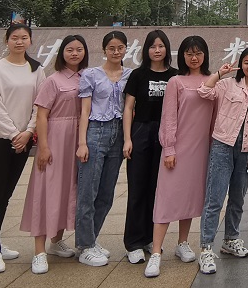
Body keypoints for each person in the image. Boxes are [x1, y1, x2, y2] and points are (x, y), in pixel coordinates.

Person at [144, 36, 216, 278]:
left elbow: (214, 118)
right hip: (177, 149)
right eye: (189, 53)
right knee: (166, 198)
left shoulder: (212, 81)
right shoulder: (176, 81)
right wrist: (169, 148)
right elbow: (168, 117)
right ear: (182, 56)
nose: (194, 58)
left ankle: (182, 242)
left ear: (205, 55)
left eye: (198, 53)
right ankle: (156, 252)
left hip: (201, 150)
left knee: (190, 198)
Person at [196, 47, 248, 275]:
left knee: (237, 198)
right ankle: (206, 248)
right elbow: (203, 91)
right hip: (222, 145)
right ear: (241, 64)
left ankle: (230, 239)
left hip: (246, 150)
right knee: (215, 199)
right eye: (246, 62)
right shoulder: (227, 84)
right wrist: (220, 73)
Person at [20, 34, 88, 274]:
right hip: (56, 139)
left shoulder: (87, 78)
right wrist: (44, 146)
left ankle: (56, 241)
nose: (74, 54)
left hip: (77, 140)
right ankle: (39, 251)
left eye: (79, 49)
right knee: (46, 190)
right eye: (70, 49)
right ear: (62, 53)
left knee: (67, 190)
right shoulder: (53, 80)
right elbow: (41, 115)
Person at [0, 23, 45, 274]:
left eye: (24, 37)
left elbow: (40, 104)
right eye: (15, 38)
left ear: (30, 41)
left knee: (5, 195)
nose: (19, 42)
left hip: (23, 140)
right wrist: (14, 134)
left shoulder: (36, 69)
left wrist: (28, 132)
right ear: (6, 40)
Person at [75, 30, 132, 267]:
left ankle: (92, 238)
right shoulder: (91, 74)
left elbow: (130, 108)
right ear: (104, 50)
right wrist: (82, 142)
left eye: (120, 48)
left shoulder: (130, 75)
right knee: (88, 192)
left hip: (118, 135)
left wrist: (127, 138)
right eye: (111, 48)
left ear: (126, 49)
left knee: (106, 193)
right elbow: (85, 111)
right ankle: (85, 246)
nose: (116, 52)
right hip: (96, 132)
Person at [121, 30, 178, 264]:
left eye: (161, 46)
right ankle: (133, 242)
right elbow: (128, 108)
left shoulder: (175, 75)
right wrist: (127, 139)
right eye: (153, 46)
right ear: (146, 50)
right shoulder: (138, 75)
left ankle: (149, 239)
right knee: (137, 188)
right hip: (141, 131)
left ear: (167, 49)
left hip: (165, 134)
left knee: (157, 189)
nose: (157, 50)